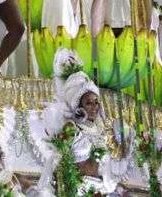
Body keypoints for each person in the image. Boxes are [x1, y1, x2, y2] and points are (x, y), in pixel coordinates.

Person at [35, 49, 129, 196]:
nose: (94, 107)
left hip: (98, 190)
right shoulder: (71, 128)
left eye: (96, 102)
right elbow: (60, 159)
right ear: (78, 105)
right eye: (88, 103)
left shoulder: (100, 130)